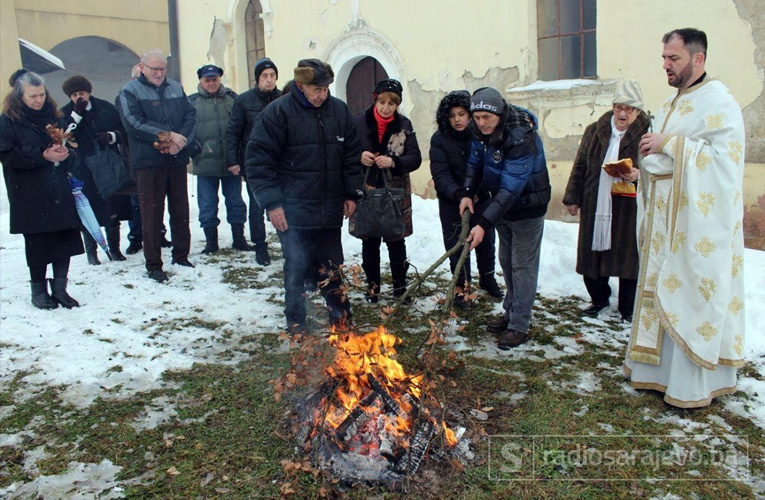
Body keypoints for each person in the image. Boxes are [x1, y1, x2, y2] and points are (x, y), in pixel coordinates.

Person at [624, 28, 746, 408]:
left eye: (673, 58)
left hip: (695, 229)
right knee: (661, 290)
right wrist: (641, 170)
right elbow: (664, 162)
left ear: (698, 58)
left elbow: (725, 165)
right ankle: (653, 373)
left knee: (690, 292)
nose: (666, 65)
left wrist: (669, 144)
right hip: (664, 225)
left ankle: (690, 384)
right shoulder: (670, 103)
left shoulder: (720, 102)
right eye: (664, 58)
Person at [246, 58, 363, 334]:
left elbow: (351, 157)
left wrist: (351, 193)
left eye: (326, 89)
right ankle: (297, 321)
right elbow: (258, 162)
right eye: (316, 90)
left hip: (329, 209)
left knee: (333, 267)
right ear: (300, 85)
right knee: (297, 267)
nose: (323, 95)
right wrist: (272, 203)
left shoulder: (339, 112)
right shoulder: (277, 113)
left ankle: (341, 318)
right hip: (292, 212)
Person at [459, 87, 551, 350]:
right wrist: (467, 193)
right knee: (507, 262)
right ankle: (510, 312)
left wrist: (483, 224)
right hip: (503, 207)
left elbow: (512, 187)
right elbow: (475, 165)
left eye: (487, 117)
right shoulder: (479, 132)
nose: (481, 123)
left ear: (499, 112)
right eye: (476, 118)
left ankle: (519, 325)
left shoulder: (521, 135)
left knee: (523, 266)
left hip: (527, 207)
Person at [562, 80, 649, 322]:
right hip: (595, 201)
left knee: (627, 257)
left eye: (628, 109)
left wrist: (638, 175)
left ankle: (627, 309)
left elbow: (656, 168)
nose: (622, 113)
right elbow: (580, 164)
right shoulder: (595, 130)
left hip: (627, 206)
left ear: (638, 111)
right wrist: (573, 197)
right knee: (591, 254)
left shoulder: (647, 133)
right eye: (618, 107)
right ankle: (599, 298)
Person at [0, 71, 83, 309]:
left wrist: (67, 155)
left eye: (42, 94)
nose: (38, 100)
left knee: (63, 240)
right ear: (19, 96)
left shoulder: (54, 118)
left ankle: (60, 290)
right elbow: (6, 155)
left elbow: (70, 147)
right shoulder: (8, 121)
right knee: (38, 244)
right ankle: (38, 291)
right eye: (32, 96)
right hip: (29, 192)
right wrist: (40, 156)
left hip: (58, 189)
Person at [119, 49, 197, 282]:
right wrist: (167, 136)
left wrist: (180, 141)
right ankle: (153, 264)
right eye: (154, 68)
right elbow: (133, 123)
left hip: (176, 158)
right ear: (142, 67)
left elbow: (190, 116)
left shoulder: (175, 87)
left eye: (162, 68)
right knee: (152, 213)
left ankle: (181, 255)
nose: (159, 73)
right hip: (148, 162)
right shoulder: (129, 91)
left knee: (181, 209)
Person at [430, 90, 502, 307]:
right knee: (456, 243)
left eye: (462, 114)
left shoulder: (481, 135)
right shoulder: (440, 139)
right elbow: (440, 174)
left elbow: (488, 167)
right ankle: (462, 287)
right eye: (452, 115)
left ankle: (487, 279)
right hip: (452, 201)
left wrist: (478, 191)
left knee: (486, 241)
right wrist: (460, 194)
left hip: (481, 198)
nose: (457, 119)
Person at [353, 79, 421, 303]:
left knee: (396, 240)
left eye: (391, 103)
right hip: (367, 189)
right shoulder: (359, 122)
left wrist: (393, 162)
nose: (385, 107)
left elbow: (415, 158)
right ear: (375, 100)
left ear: (397, 105)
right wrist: (359, 156)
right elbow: (344, 151)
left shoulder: (404, 125)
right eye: (382, 101)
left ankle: (400, 288)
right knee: (370, 241)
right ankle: (373, 289)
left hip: (395, 192)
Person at [60, 75, 132, 264]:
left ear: (89, 92)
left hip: (107, 164)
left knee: (111, 206)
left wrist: (111, 136)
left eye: (81, 93)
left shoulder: (105, 107)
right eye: (74, 94)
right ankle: (92, 252)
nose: (78, 97)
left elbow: (122, 131)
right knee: (87, 208)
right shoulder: (65, 113)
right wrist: (76, 116)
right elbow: (63, 137)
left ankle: (115, 249)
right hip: (81, 167)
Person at [226, 57, 281, 265]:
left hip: (279, 162)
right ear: (257, 79)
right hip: (254, 162)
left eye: (272, 75)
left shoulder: (283, 97)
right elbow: (234, 132)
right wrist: (233, 160)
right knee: (257, 205)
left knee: (282, 202)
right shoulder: (244, 101)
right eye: (264, 76)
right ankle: (260, 246)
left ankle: (287, 242)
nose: (269, 80)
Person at [188, 64, 249, 254]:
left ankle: (239, 238)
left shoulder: (232, 99)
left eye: (214, 79)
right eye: (207, 80)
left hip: (230, 162)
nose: (211, 83)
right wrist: (194, 149)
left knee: (235, 201)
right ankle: (211, 241)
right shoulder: (192, 102)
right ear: (201, 81)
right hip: (204, 162)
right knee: (207, 204)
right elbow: (186, 129)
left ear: (219, 79)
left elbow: (242, 126)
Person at [118, 64, 171, 255]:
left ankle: (159, 233)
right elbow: (128, 126)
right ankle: (135, 237)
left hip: (157, 155)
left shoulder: (151, 97)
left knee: (156, 200)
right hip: (134, 155)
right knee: (137, 201)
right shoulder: (124, 97)